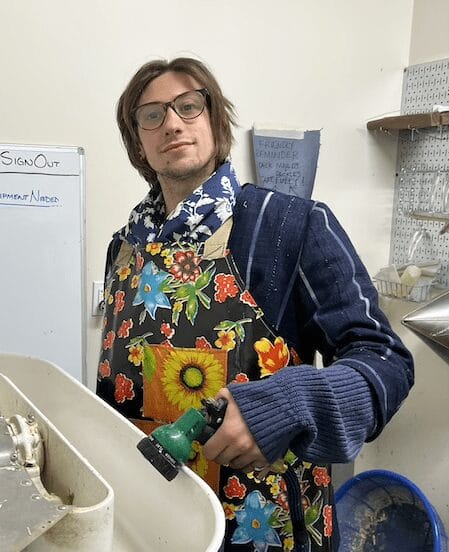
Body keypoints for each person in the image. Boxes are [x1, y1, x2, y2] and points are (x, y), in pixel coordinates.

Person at [96, 57, 414, 552]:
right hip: (150, 521)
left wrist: (290, 403)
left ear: (216, 120)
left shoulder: (290, 227)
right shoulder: (126, 247)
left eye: (188, 106)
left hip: (263, 528)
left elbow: (386, 362)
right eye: (151, 114)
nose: (173, 123)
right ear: (137, 140)